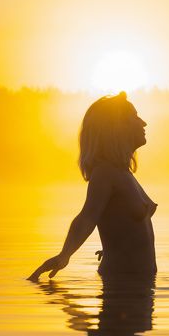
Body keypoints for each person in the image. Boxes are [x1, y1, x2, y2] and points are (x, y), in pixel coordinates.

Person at [28, 92, 157, 281]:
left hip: (139, 290)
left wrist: (115, 246)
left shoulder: (123, 173)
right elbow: (87, 217)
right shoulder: (105, 172)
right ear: (117, 126)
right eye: (135, 117)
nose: (143, 123)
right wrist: (65, 255)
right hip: (120, 290)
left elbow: (123, 224)